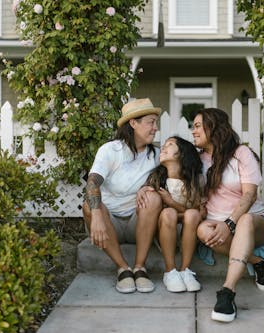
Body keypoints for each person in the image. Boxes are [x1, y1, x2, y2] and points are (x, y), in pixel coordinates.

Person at [192, 108, 264, 322]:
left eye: (198, 126)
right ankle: (258, 262)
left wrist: (230, 222)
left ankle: (227, 292)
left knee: (244, 220)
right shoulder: (198, 160)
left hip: (253, 222)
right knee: (201, 230)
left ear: (214, 127)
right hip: (217, 224)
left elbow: (249, 195)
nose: (194, 131)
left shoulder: (241, 154)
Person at [82, 98, 163, 294]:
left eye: (155, 123)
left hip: (139, 222)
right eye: (150, 122)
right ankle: (123, 268)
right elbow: (92, 182)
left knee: (153, 198)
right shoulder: (111, 150)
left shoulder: (157, 155)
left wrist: (150, 186)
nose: (155, 128)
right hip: (109, 225)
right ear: (133, 123)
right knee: (89, 204)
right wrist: (97, 215)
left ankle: (140, 267)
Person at [144, 136, 204, 292]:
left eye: (170, 145)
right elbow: (156, 213)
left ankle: (185, 270)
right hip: (164, 230)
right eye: (164, 145)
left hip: (188, 230)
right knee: (169, 213)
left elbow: (199, 212)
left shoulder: (195, 181)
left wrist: (171, 202)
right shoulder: (157, 179)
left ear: (182, 154)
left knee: (192, 214)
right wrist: (171, 207)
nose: (163, 147)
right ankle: (170, 271)